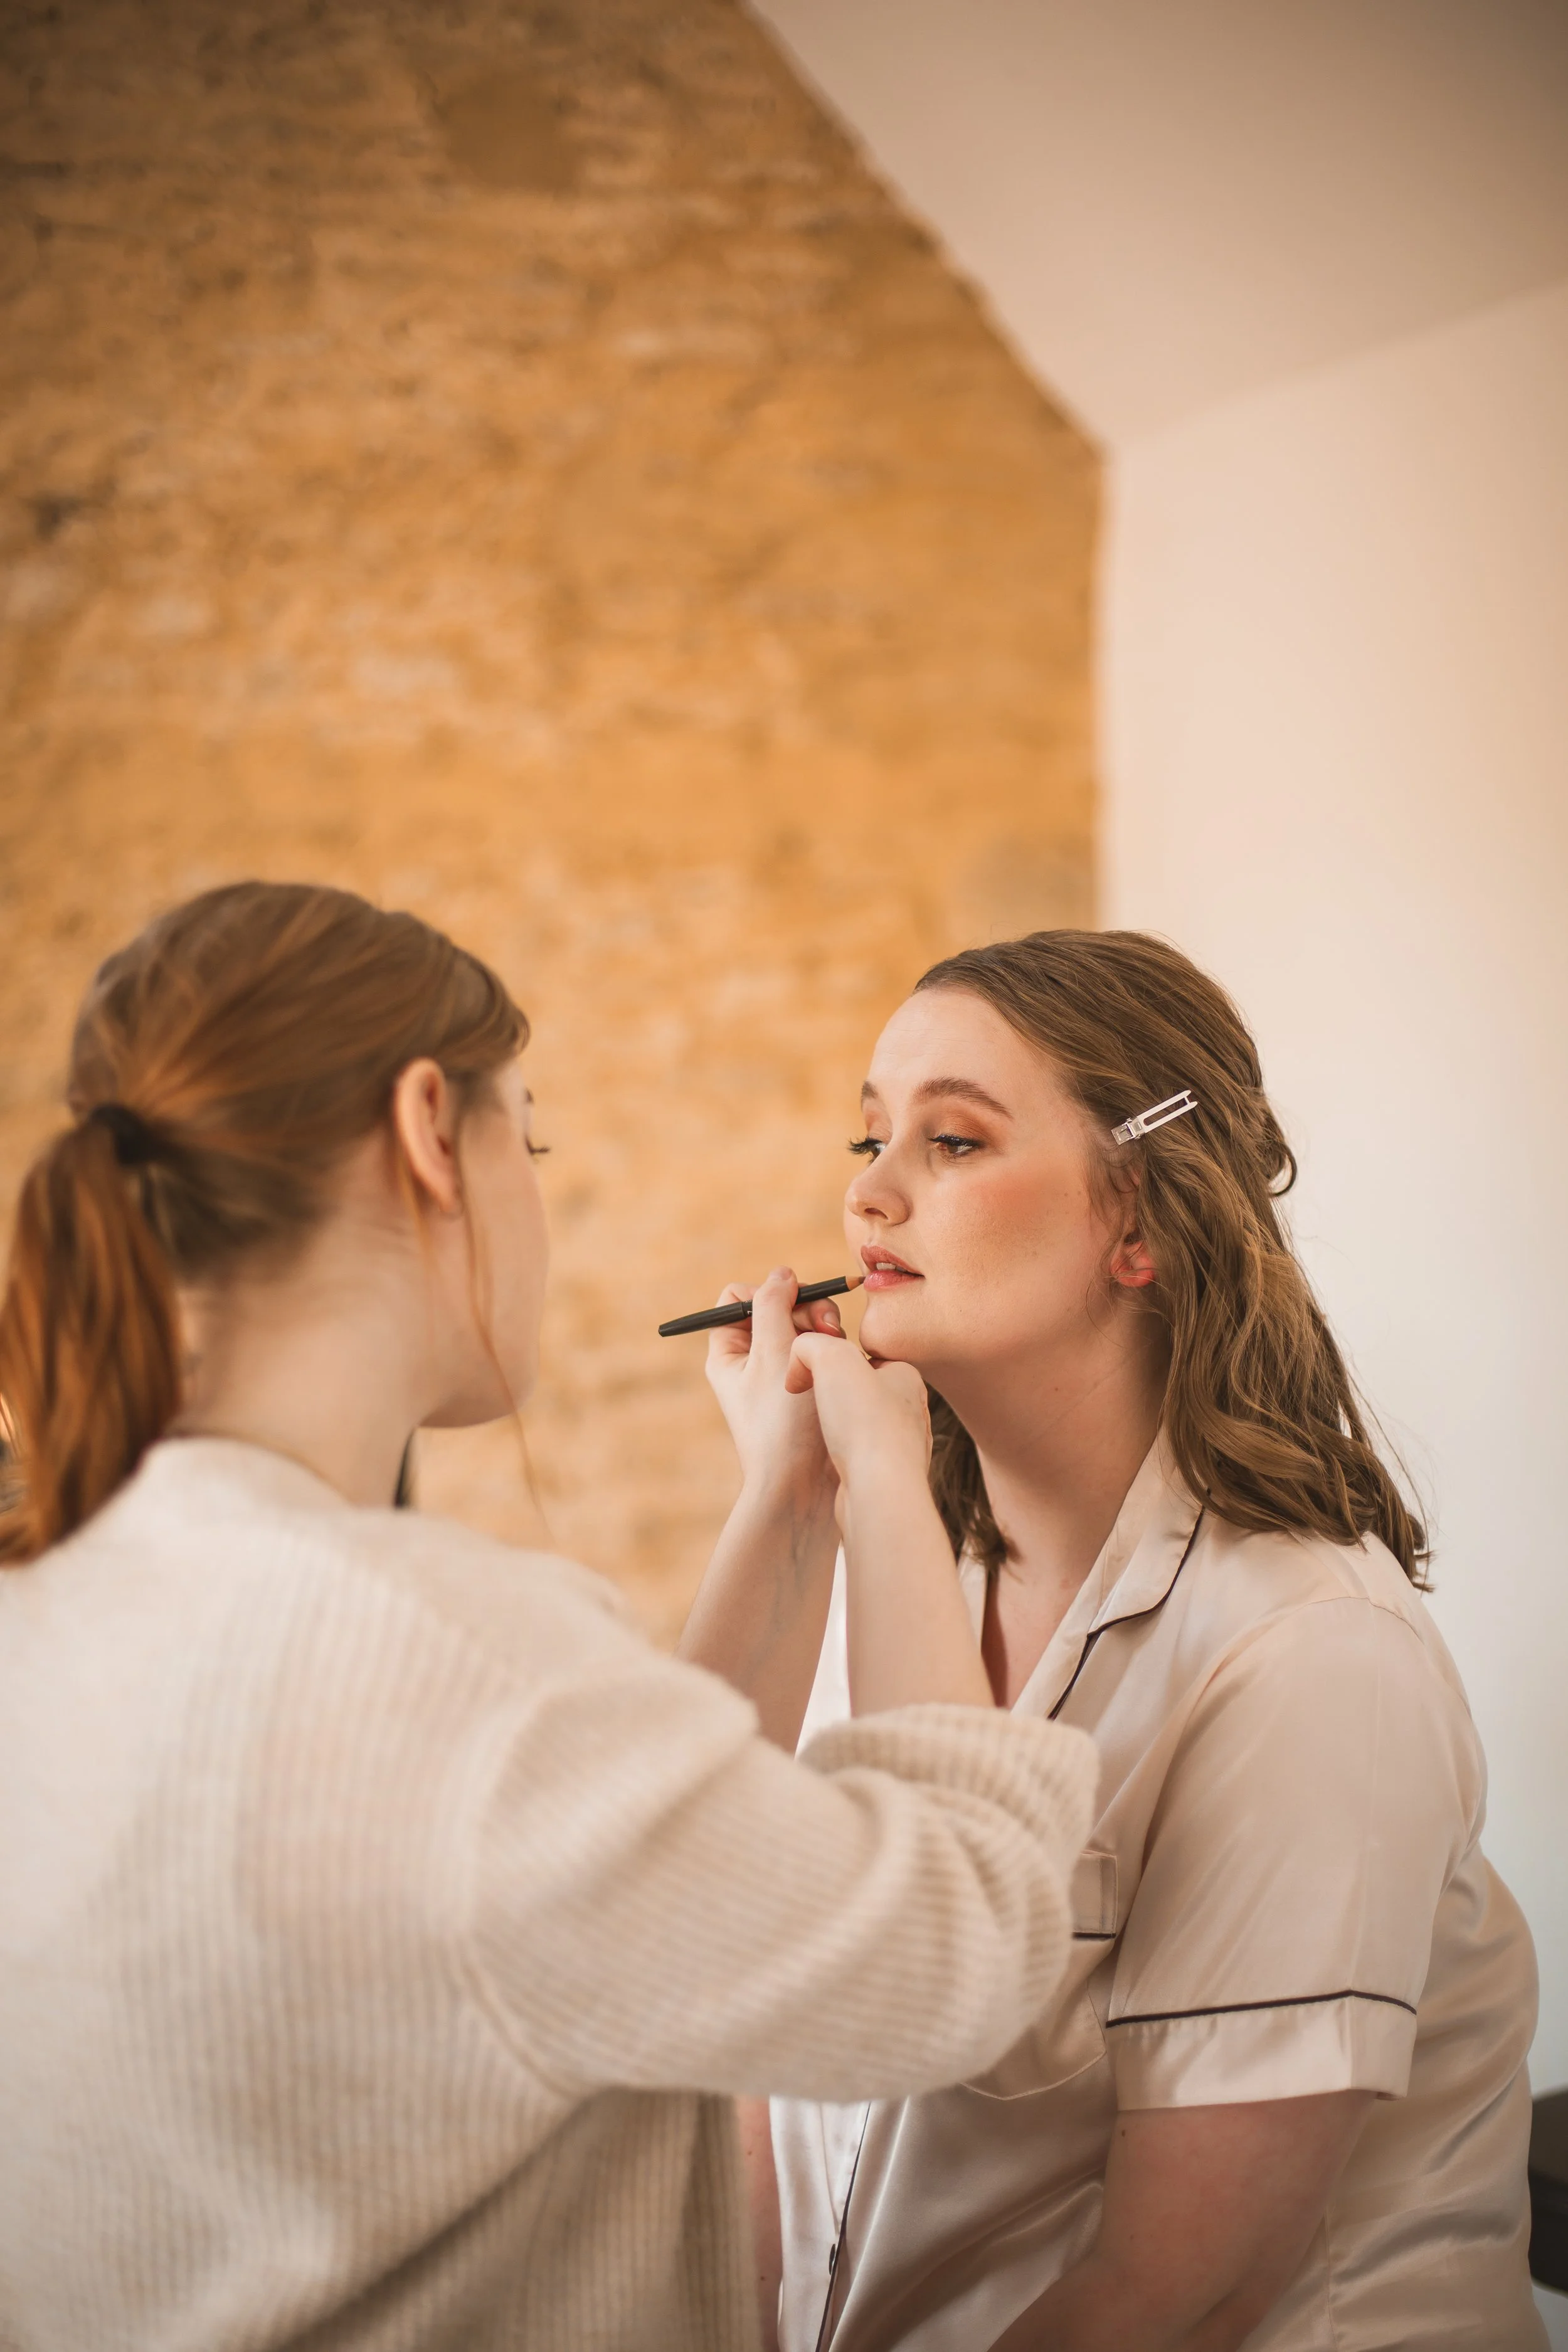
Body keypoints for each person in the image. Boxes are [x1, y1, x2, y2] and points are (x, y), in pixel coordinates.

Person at [0, 882, 1099, 2352]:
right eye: (529, 1139)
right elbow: (956, 1951)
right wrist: (889, 1488)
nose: (871, 1193)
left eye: (946, 1137)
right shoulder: (436, 1659)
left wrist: (790, 1506)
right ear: (421, 1135)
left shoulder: (67, 1605)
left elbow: (620, 1882)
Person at [686, 930, 1544, 2352]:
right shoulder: (896, 1567)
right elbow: (727, 2035)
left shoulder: (1309, 1659)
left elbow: (1175, 2299)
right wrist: (789, 1498)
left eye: (951, 1142)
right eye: (869, 1133)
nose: (866, 1192)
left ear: (1132, 1220)